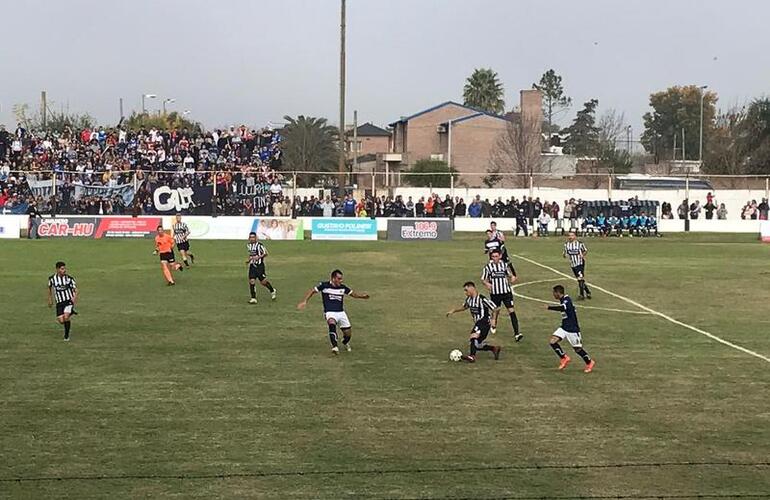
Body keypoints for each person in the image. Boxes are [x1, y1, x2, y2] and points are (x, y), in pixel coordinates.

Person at [297, 269, 370, 354]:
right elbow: (312, 291)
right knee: (332, 324)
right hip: (330, 312)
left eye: (341, 279)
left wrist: (362, 297)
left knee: (348, 334)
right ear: (333, 278)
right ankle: (335, 346)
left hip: (341, 312)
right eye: (339, 279)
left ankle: (345, 342)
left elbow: (353, 294)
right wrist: (304, 301)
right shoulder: (324, 286)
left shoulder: (343, 288)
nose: (341, 281)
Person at [445, 281, 502, 363]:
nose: (465, 292)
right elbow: (464, 307)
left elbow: (495, 308)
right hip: (479, 323)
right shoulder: (469, 299)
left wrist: (493, 320)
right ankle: (494, 348)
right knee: (476, 344)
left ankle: (472, 356)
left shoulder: (482, 299)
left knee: (473, 336)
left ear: (472, 288)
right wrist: (454, 310)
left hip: (484, 321)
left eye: (466, 290)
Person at [546, 285, 595, 373]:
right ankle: (564, 358)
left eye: (554, 293)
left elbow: (562, 308)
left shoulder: (567, 300)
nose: (553, 295)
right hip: (564, 327)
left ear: (558, 293)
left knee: (578, 349)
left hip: (572, 329)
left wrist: (549, 307)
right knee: (552, 341)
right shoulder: (562, 300)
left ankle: (590, 362)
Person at [482, 249, 522, 342]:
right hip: (495, 293)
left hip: (506, 293)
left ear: (500, 256)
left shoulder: (503, 265)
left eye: (496, 256)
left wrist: (512, 277)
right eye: (493, 257)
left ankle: (517, 333)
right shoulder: (488, 267)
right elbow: (483, 279)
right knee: (496, 310)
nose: (495, 258)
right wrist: (487, 284)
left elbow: (509, 275)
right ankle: (494, 323)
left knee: (511, 311)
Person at [47, 261, 78, 341]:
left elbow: (75, 290)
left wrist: (74, 298)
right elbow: (49, 288)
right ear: (57, 269)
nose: (64, 270)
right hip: (59, 302)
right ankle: (71, 312)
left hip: (68, 301)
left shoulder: (69, 279)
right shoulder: (52, 279)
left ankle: (66, 336)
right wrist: (50, 299)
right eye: (62, 269)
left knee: (66, 316)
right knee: (61, 320)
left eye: (64, 268)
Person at [246, 232, 276, 303]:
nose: (252, 239)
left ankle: (272, 290)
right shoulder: (248, 245)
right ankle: (253, 298)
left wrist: (258, 257)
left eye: (253, 237)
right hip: (252, 266)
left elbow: (266, 253)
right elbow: (251, 254)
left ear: (256, 238)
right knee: (252, 281)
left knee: (263, 282)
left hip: (260, 266)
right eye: (251, 237)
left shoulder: (260, 245)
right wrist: (249, 260)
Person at [563, 230, 591, 300]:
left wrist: (583, 255)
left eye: (572, 235)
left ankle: (581, 295)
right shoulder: (566, 245)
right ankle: (588, 292)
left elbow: (585, 250)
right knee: (579, 280)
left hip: (580, 263)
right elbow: (565, 253)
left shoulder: (580, 244)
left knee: (580, 278)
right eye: (569, 236)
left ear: (575, 236)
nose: (570, 237)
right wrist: (564, 255)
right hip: (573, 264)